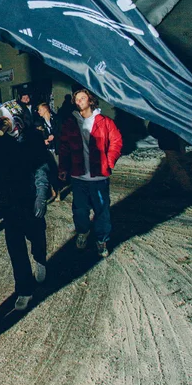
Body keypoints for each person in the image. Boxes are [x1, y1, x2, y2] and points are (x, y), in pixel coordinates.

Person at [0, 113, 50, 311]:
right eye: (2, 119)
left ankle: (40, 258)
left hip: (30, 199)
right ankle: (25, 289)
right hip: (9, 204)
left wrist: (41, 196)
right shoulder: (0, 141)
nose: (5, 122)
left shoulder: (32, 138)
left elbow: (41, 168)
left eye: (8, 118)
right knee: (15, 247)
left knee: (37, 236)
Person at [58, 89, 123, 258]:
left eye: (82, 98)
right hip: (78, 176)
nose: (78, 101)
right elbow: (64, 147)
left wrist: (109, 162)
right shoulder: (70, 123)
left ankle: (101, 240)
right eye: (76, 99)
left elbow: (116, 141)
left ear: (90, 100)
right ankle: (83, 232)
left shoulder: (104, 121)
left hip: (99, 177)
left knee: (102, 211)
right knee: (80, 210)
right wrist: (63, 168)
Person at [148, 121, 192, 193]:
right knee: (175, 156)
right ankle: (184, 183)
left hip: (171, 126)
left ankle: (176, 178)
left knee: (175, 156)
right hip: (168, 127)